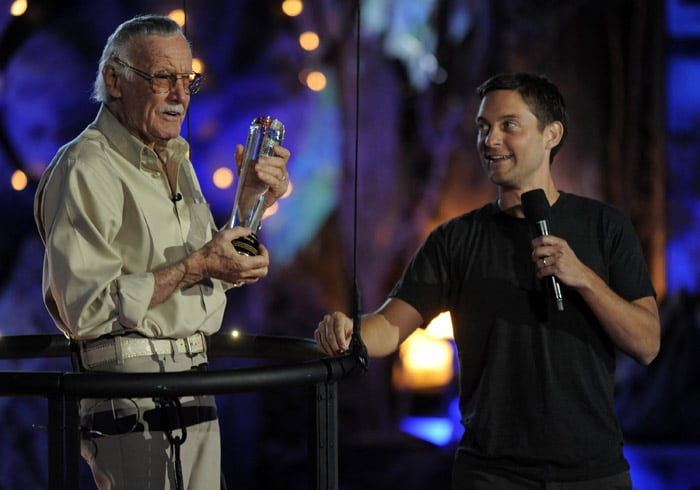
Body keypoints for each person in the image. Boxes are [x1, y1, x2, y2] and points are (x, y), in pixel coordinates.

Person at [315, 72, 660, 489]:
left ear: (552, 134)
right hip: (491, 475)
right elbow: (391, 325)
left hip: (594, 473)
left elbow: (646, 344)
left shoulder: (606, 226)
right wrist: (352, 331)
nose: (490, 141)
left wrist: (583, 277)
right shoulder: (455, 239)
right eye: (483, 128)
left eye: (508, 126)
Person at [34, 14, 290, 490]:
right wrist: (196, 264)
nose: (180, 96)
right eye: (163, 79)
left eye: (187, 80)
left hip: (194, 386)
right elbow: (84, 309)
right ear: (114, 79)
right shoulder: (85, 167)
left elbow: (214, 271)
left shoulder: (178, 159)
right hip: (130, 397)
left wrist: (252, 201)